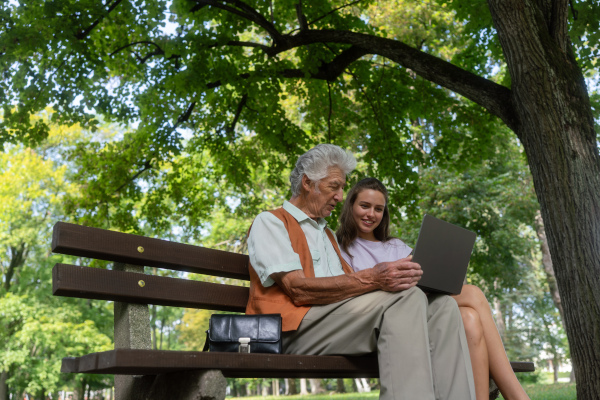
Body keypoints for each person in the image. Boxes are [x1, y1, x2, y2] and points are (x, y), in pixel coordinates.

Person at [246, 144, 476, 400]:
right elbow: (297, 289)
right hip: (292, 329)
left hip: (335, 321)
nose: (340, 196)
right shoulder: (271, 222)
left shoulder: (327, 235)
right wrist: (375, 278)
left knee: (443, 307)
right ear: (307, 183)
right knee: (406, 299)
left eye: (342, 188)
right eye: (334, 186)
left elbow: (348, 291)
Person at [336, 177, 530, 400]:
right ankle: (517, 396)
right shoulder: (339, 247)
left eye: (378, 209)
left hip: (424, 307)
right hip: (389, 318)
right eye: (364, 206)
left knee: (469, 318)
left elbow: (422, 272)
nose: (371, 214)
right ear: (350, 206)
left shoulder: (396, 246)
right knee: (473, 294)